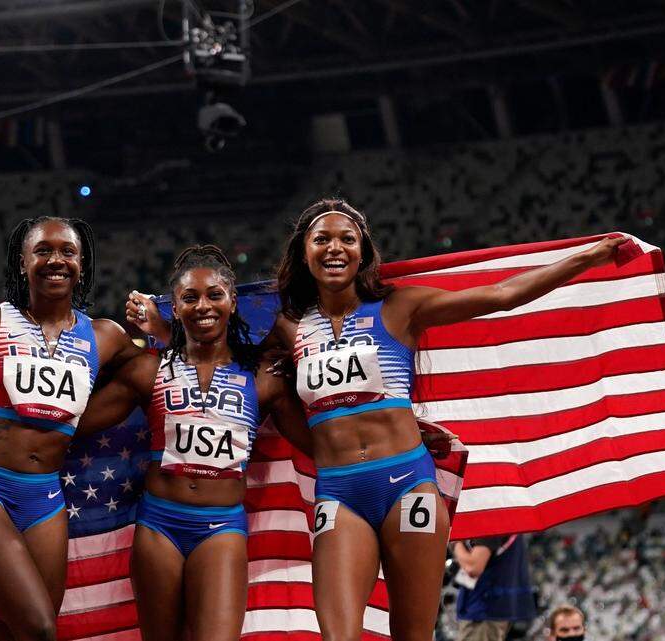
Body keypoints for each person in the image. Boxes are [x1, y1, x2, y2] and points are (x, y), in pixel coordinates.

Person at [127, 199, 625, 641]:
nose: (335, 247)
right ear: (305, 253)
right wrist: (164, 325)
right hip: (339, 491)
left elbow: (500, 295)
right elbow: (215, 342)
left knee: (412, 633)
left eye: (348, 238)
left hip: (407, 483)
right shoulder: (287, 326)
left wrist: (588, 256)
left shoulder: (401, 307)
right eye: (322, 239)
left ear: (363, 251)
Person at [0, 216, 141, 641]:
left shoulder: (105, 336)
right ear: (23, 263)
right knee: (38, 628)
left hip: (46, 498)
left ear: (82, 263)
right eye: (43, 251)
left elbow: (148, 376)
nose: (56, 260)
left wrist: (162, 329)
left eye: (68, 252)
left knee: (16, 630)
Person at [78, 246, 308, 641]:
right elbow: (69, 421)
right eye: (190, 297)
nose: (204, 306)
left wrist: (405, 432)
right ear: (176, 308)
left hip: (220, 528)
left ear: (232, 302)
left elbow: (320, 443)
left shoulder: (263, 377)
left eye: (214, 295)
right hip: (159, 526)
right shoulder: (148, 370)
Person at [451, 535, 537, 641]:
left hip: (483, 611)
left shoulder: (490, 524)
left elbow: (473, 567)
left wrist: (455, 542)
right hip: (494, 609)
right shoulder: (510, 524)